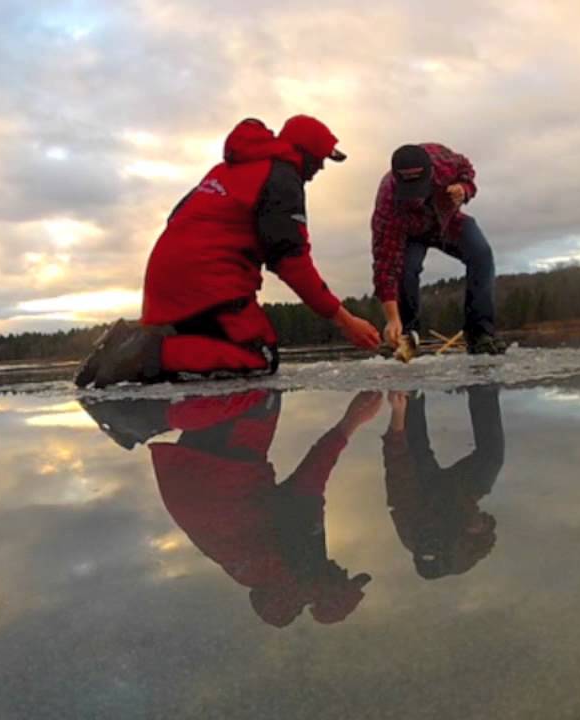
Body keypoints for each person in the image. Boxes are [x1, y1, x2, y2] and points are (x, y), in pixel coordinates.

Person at [75, 116, 381, 388]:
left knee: (233, 347)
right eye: (319, 161)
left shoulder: (227, 169)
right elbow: (291, 261)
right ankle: (150, 353)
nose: (319, 170)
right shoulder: (282, 177)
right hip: (206, 285)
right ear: (305, 154)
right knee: (259, 357)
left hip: (169, 284)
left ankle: (144, 346)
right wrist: (345, 320)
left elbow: (177, 216)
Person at [80, 390, 381, 626]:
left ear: (330, 587)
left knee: (261, 396)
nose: (343, 569)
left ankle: (141, 409)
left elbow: (308, 484)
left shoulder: (301, 566)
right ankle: (184, 390)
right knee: (232, 400)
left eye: (345, 577)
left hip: (221, 472)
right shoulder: (264, 577)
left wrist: (350, 423)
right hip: (188, 481)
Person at [370, 143, 506, 357]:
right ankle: (406, 336)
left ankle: (481, 333)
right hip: (412, 234)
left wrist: (464, 189)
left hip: (449, 221)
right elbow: (384, 264)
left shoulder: (444, 161)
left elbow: (467, 172)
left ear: (432, 172)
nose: (415, 198)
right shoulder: (388, 200)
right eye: (410, 192)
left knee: (481, 254)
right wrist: (392, 318)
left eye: (420, 189)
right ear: (397, 180)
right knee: (405, 269)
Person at [382, 387, 506, 579]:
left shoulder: (409, 525)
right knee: (491, 459)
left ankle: (411, 397)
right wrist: (482, 525)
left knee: (413, 451)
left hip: (423, 488)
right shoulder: (465, 555)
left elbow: (396, 464)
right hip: (461, 493)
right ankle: (484, 392)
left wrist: (398, 413)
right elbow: (488, 535)